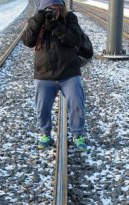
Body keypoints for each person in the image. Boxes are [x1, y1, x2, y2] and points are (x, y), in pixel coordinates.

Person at [22, 0, 89, 151]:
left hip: (69, 72)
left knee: (77, 104)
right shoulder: (36, 20)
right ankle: (45, 134)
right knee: (42, 107)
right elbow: (27, 41)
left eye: (57, 7)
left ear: (62, 7)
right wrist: (38, 21)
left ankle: (78, 135)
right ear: (42, 9)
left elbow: (75, 39)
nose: (53, 11)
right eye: (49, 8)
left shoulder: (69, 18)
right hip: (44, 73)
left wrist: (57, 27)